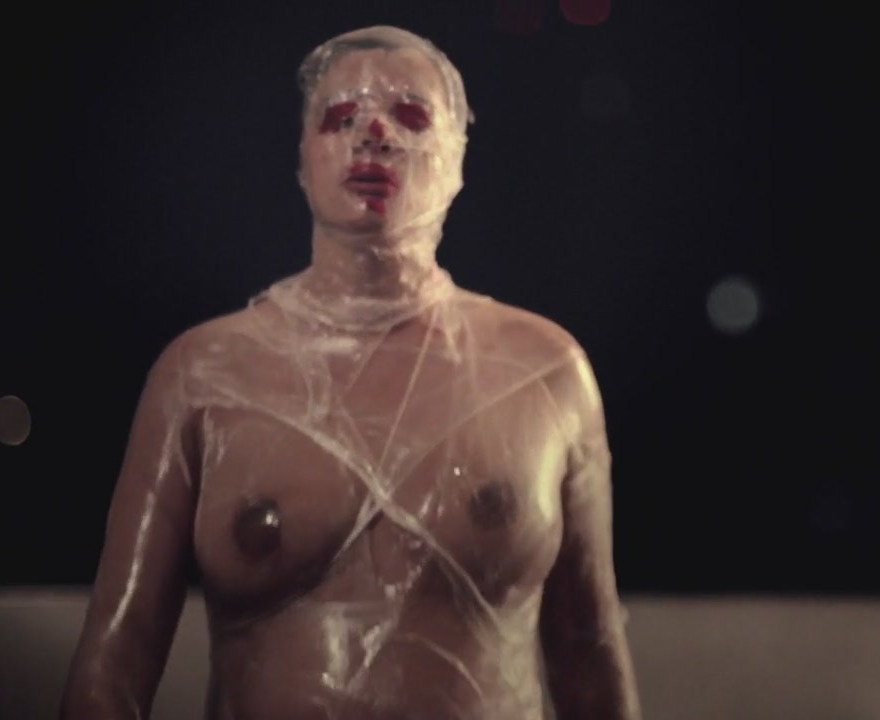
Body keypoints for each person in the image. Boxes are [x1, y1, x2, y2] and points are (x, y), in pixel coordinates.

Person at [60, 25, 641, 720]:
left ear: (457, 155)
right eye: (340, 118)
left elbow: (587, 651)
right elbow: (117, 659)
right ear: (303, 159)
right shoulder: (203, 375)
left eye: (411, 116)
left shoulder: (544, 370)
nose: (373, 133)